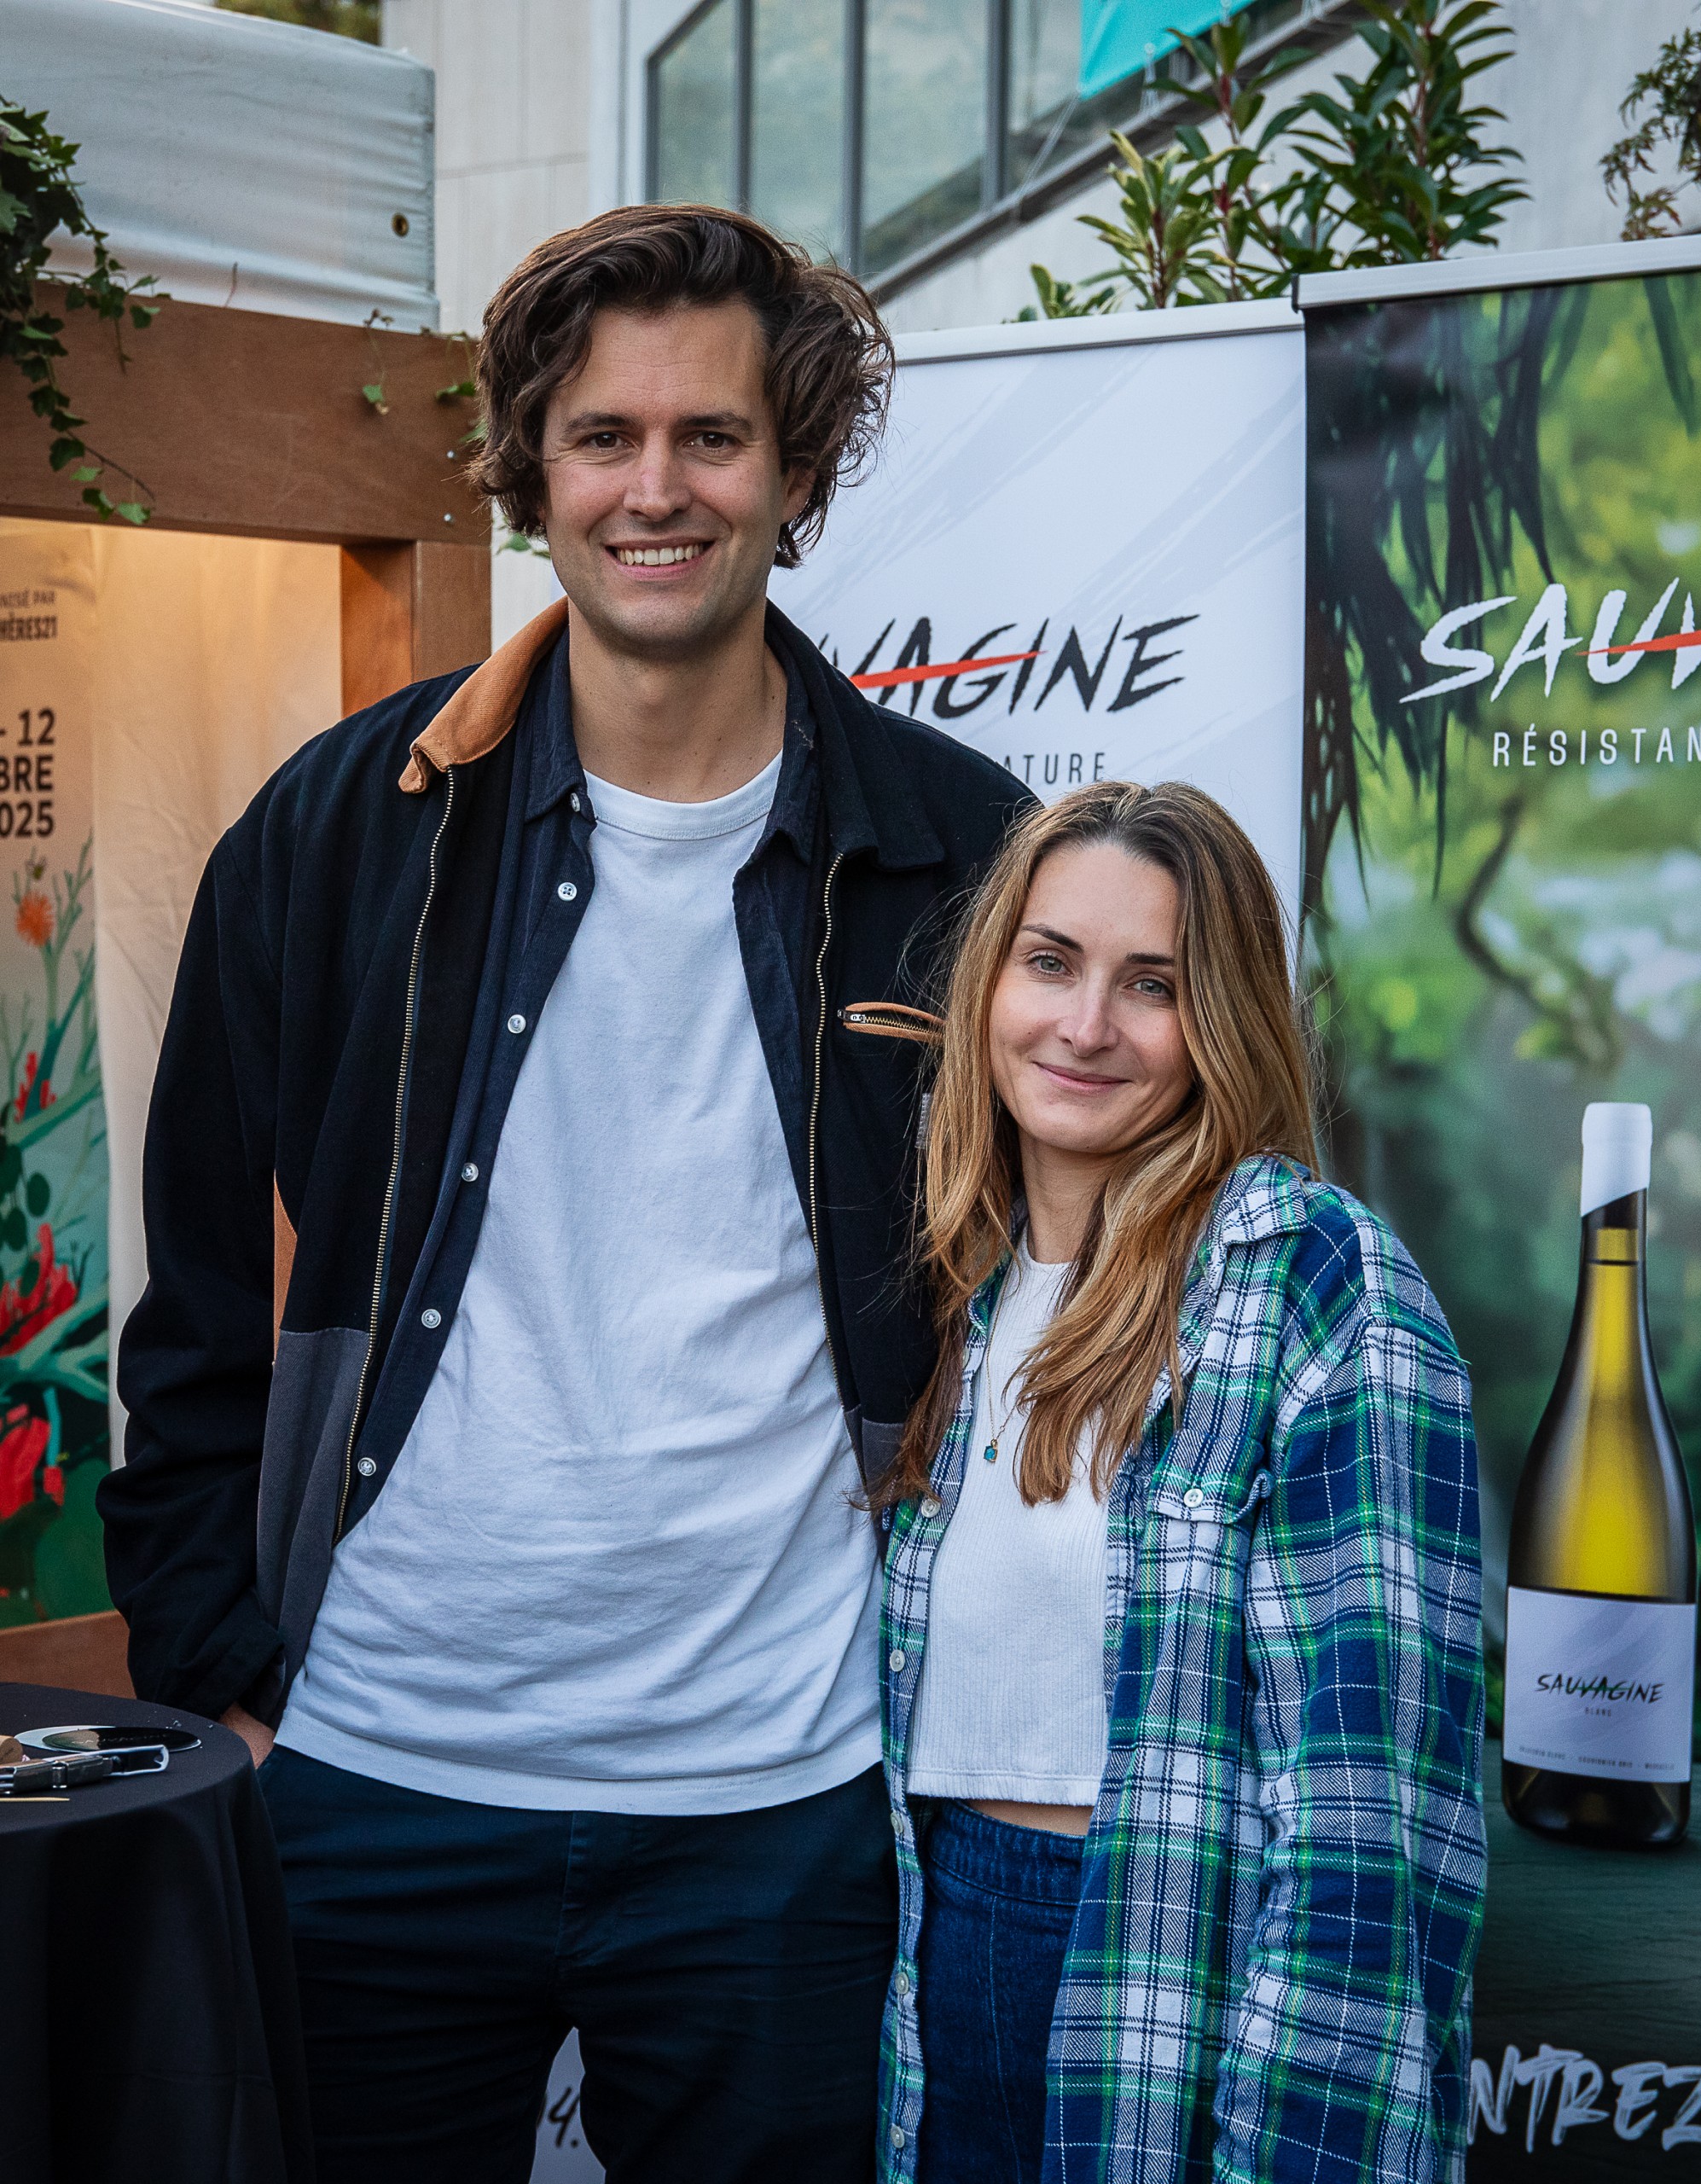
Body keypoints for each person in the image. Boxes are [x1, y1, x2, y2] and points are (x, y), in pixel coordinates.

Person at [98, 205, 1031, 2184]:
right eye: (603, 436)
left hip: (781, 1799)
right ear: (531, 468)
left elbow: (1046, 1302)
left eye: (713, 436)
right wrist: (221, 1679)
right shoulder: (340, 829)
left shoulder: (960, 850)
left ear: (795, 469)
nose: (654, 488)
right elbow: (194, 1301)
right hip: (367, 1775)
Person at [874, 781, 1487, 2184]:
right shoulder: (955, 1285)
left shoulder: (1314, 1278)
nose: (1086, 1025)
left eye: (1152, 985)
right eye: (1050, 962)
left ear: (1223, 1020)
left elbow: (1372, 1824)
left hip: (1163, 1962)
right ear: (988, 985)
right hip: (930, 1941)